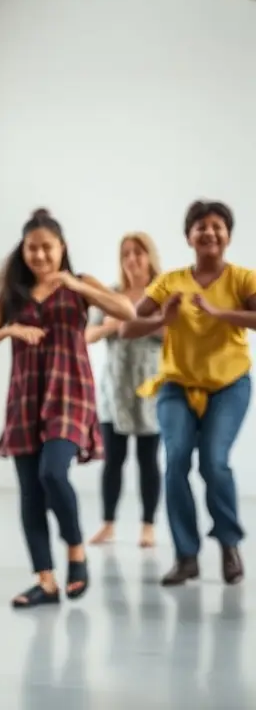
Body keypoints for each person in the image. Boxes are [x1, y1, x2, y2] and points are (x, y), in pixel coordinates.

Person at [0, 209, 134, 609]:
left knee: (53, 472)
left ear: (62, 248)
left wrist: (74, 283)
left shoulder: (81, 286)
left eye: (47, 247)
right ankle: (45, 581)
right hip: (26, 396)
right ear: (22, 250)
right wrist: (10, 329)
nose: (39, 255)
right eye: (32, 248)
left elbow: (127, 312)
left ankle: (76, 552)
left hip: (70, 394)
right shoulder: (13, 295)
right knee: (29, 492)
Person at [120, 200, 253, 586]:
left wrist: (220, 313)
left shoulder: (244, 279)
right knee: (176, 461)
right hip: (177, 386)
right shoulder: (170, 282)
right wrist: (164, 318)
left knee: (214, 462)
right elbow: (128, 328)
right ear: (188, 236)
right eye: (200, 227)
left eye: (217, 226)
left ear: (227, 235)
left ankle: (228, 543)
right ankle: (186, 555)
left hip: (229, 385)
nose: (209, 232)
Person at [86, 232, 163, 548]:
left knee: (148, 460)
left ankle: (148, 526)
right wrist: (116, 326)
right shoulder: (111, 293)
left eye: (138, 253)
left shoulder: (163, 293)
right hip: (114, 389)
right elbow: (88, 334)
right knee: (112, 460)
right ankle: (108, 524)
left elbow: (177, 331)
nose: (132, 259)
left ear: (149, 256)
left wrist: (133, 324)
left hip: (151, 387)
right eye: (126, 253)